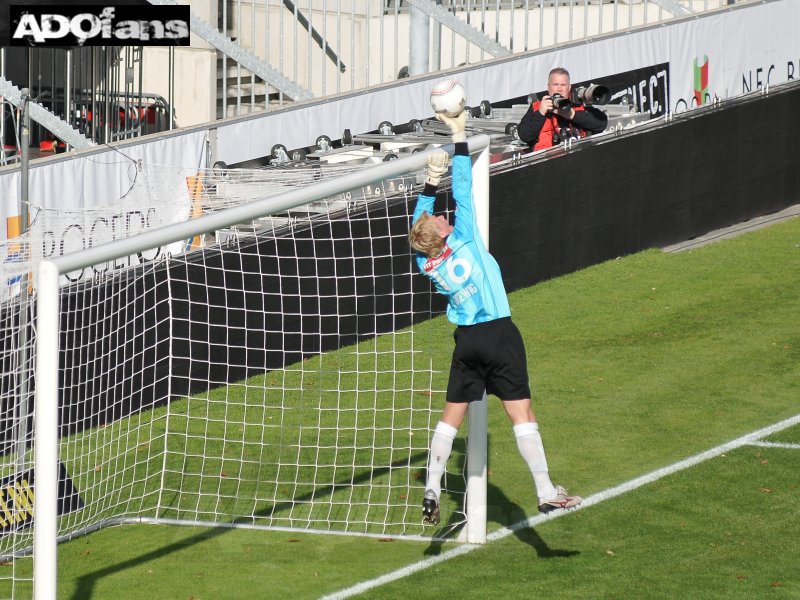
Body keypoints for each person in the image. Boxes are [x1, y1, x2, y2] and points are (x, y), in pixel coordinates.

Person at [408, 107, 582, 526]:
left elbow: (416, 229)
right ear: (444, 232)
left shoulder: (427, 263)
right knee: (521, 413)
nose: (441, 216)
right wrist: (460, 137)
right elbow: (465, 189)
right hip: (499, 333)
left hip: (466, 341)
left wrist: (431, 185)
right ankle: (544, 491)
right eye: (438, 218)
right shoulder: (464, 238)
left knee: (452, 415)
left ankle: (433, 484)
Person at [517, 67, 608, 151]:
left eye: (563, 85)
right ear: (548, 87)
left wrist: (572, 115)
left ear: (569, 87)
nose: (559, 89)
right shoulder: (538, 107)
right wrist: (540, 113)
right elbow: (524, 136)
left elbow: (602, 123)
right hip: (548, 162)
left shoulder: (577, 105)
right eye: (555, 84)